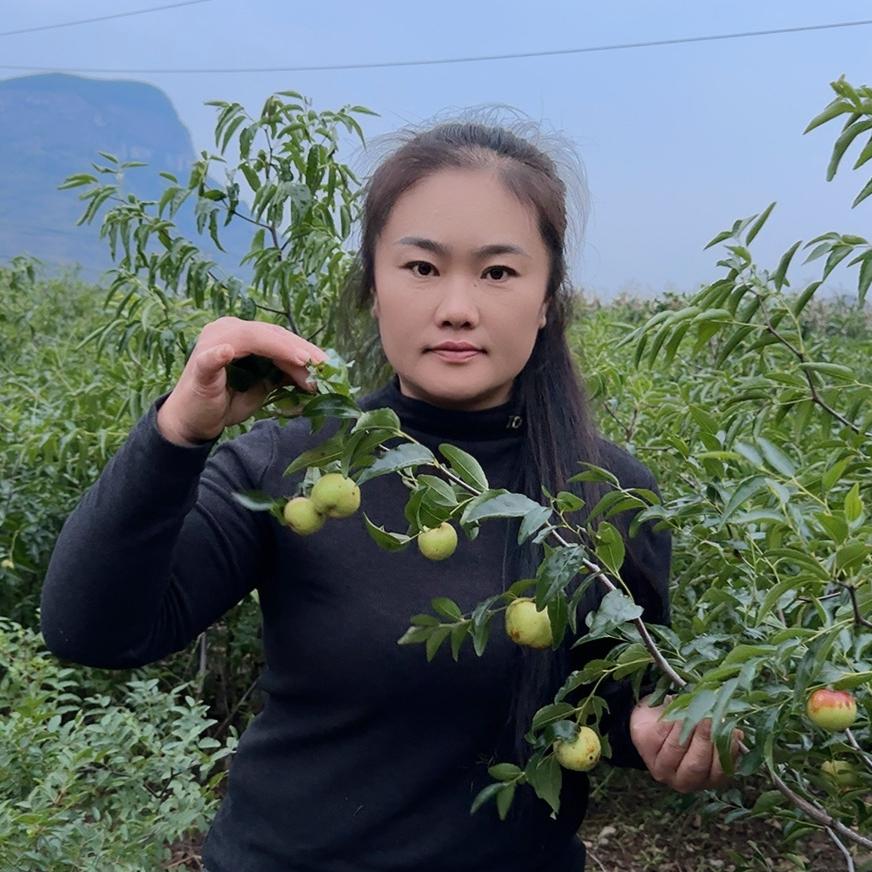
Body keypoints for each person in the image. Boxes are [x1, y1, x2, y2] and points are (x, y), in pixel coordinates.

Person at [41, 114, 742, 872]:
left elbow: (612, 700)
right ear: (374, 284)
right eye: (422, 267)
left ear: (547, 300)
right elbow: (93, 631)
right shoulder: (298, 467)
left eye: (499, 272)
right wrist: (179, 428)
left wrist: (672, 735)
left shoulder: (605, 494)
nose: (457, 307)